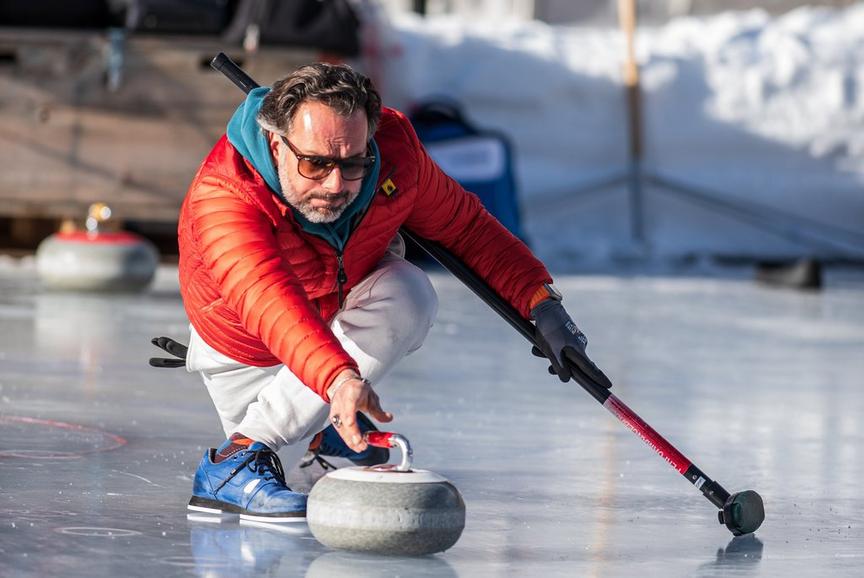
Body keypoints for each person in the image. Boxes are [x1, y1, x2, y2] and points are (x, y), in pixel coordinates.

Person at [177, 62, 611, 522]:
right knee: (292, 374)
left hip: (330, 326)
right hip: (249, 354)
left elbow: (465, 229)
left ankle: (322, 425)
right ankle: (236, 459)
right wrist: (340, 381)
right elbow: (270, 302)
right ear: (276, 142)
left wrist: (542, 305)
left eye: (352, 164)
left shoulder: (393, 154)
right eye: (314, 163)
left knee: (409, 291)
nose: (335, 185)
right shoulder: (226, 196)